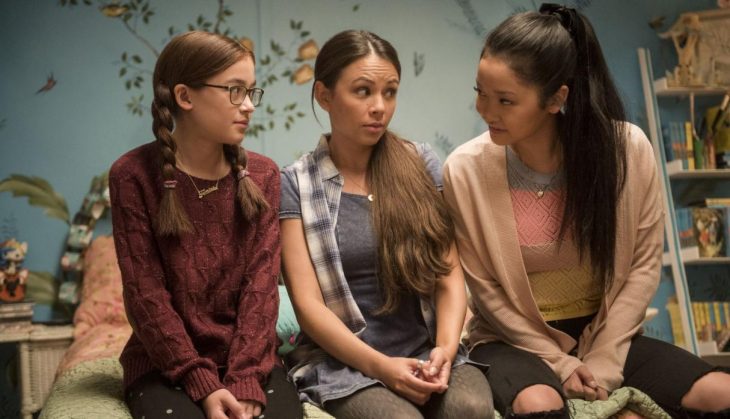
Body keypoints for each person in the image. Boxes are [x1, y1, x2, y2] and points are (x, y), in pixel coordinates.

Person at [442, 4, 730, 419]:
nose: (485, 111)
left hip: (607, 336)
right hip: (512, 341)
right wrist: (561, 364)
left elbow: (643, 267)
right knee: (539, 403)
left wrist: (603, 361)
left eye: (505, 100)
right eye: (480, 93)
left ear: (557, 98)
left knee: (720, 393)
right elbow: (488, 294)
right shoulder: (465, 169)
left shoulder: (628, 151)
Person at [279, 30, 494, 419]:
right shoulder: (295, 184)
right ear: (324, 96)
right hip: (345, 363)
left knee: (472, 408)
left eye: (390, 92)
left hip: (427, 349)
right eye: (363, 91)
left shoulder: (419, 163)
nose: (379, 106)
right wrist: (381, 367)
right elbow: (308, 306)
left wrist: (444, 351)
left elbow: (448, 274)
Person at [109, 31, 302, 419]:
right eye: (235, 90)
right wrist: (201, 383)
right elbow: (145, 296)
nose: (248, 106)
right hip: (166, 365)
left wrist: (246, 378)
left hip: (248, 363)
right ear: (185, 96)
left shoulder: (263, 175)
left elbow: (262, 290)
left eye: (252, 91)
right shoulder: (132, 176)